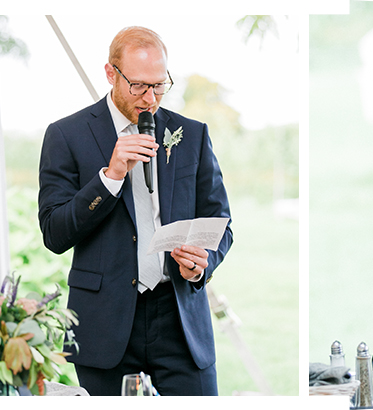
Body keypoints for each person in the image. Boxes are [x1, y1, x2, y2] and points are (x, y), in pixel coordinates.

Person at [38, 26, 233, 396]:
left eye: (159, 85)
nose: (151, 99)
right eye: (139, 86)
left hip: (179, 317)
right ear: (111, 74)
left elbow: (220, 220)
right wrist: (110, 177)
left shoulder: (191, 134)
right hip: (103, 323)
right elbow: (54, 233)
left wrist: (202, 260)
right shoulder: (66, 135)